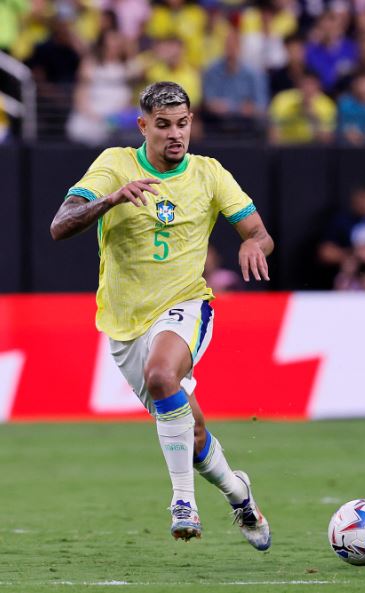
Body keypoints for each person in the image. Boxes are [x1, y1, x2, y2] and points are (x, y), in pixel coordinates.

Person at [48, 82, 273, 549]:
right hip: (124, 323)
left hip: (187, 303)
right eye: (165, 125)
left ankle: (182, 503)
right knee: (191, 433)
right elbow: (59, 226)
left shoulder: (210, 174)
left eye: (183, 123)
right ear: (143, 126)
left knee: (161, 373)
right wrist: (110, 199)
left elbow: (258, 232)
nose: (176, 134)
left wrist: (253, 241)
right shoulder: (114, 165)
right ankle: (239, 494)